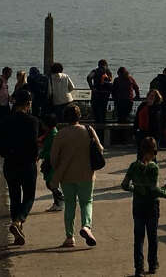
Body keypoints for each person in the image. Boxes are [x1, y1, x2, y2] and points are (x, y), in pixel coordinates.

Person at [120, 136, 166, 276]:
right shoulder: (153, 168)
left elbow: (125, 185)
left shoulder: (133, 166)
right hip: (151, 206)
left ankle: (138, 268)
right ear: (152, 152)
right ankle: (152, 264)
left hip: (138, 205)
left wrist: (136, 188)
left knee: (138, 238)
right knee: (152, 236)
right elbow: (154, 189)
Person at [51, 103, 103, 248]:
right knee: (86, 202)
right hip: (86, 173)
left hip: (66, 175)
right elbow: (100, 148)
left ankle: (69, 237)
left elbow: (53, 158)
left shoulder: (60, 134)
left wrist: (57, 170)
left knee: (70, 204)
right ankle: (86, 226)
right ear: (79, 116)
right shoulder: (88, 130)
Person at [0, 88, 40, 246]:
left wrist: (8, 153)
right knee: (29, 196)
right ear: (28, 103)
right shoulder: (32, 121)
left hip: (10, 163)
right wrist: (35, 157)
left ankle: (17, 231)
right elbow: (34, 145)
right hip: (27, 163)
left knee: (14, 196)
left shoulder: (5, 120)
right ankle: (18, 221)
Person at [39, 113, 64, 212]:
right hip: (49, 162)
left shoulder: (53, 135)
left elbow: (52, 151)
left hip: (52, 163)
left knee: (51, 183)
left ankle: (60, 200)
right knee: (50, 183)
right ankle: (57, 202)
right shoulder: (50, 133)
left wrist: (41, 155)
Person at [133, 90, 163, 158]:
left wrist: (158, 135)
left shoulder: (158, 107)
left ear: (156, 98)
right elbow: (137, 119)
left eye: (153, 96)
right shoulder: (142, 105)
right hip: (142, 132)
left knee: (152, 155)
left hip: (153, 134)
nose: (151, 97)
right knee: (140, 154)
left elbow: (158, 121)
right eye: (150, 95)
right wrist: (134, 131)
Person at [150, 69, 166, 145]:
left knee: (156, 123)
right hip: (165, 106)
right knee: (165, 124)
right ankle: (163, 141)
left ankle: (155, 141)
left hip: (155, 105)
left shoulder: (154, 80)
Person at [87, 60, 113, 127]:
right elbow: (110, 83)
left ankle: (97, 130)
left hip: (96, 95)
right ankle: (102, 129)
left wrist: (92, 88)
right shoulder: (108, 72)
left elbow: (89, 77)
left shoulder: (95, 71)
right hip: (104, 95)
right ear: (106, 65)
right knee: (103, 113)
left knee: (96, 115)